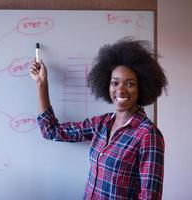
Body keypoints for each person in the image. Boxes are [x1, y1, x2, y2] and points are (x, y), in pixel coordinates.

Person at [30, 37, 168, 200]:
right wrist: (41, 83)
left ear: (142, 87)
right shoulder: (102, 124)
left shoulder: (148, 135)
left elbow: (150, 196)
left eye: (129, 84)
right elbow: (51, 131)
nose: (120, 90)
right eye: (114, 83)